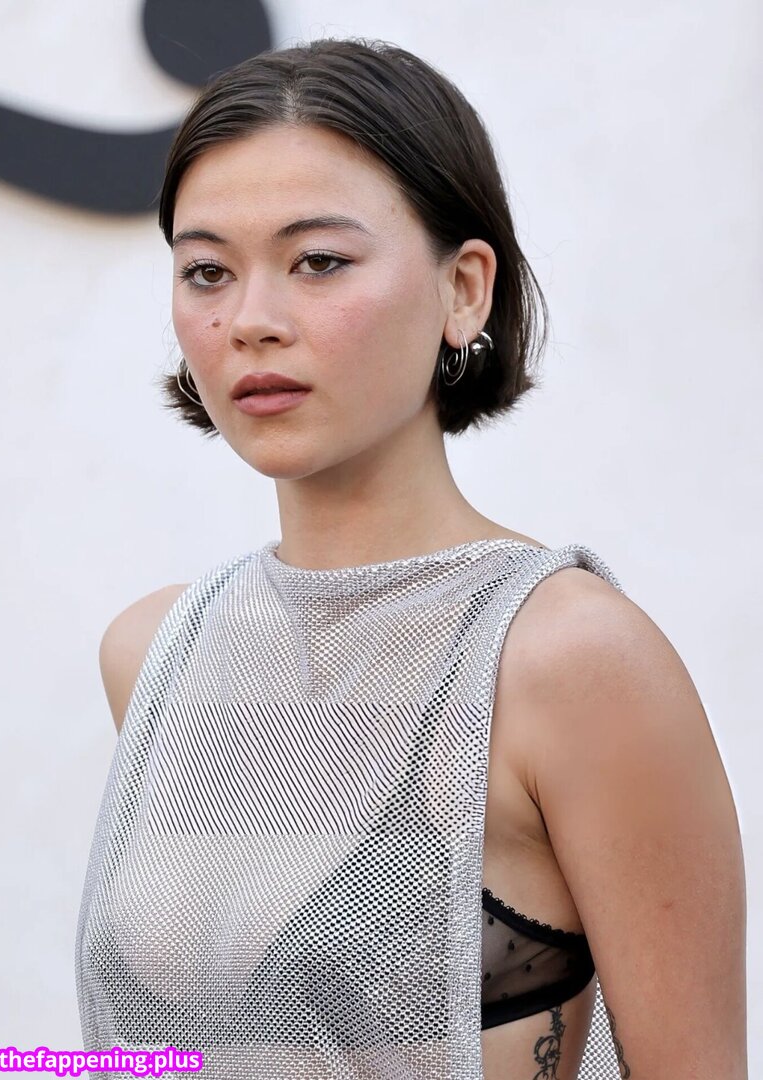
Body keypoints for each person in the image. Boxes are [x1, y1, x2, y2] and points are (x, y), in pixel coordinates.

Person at [75, 37, 747, 1080]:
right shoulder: (155, 652)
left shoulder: (567, 659)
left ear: (464, 289)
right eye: (207, 271)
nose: (251, 321)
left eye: (319, 261)